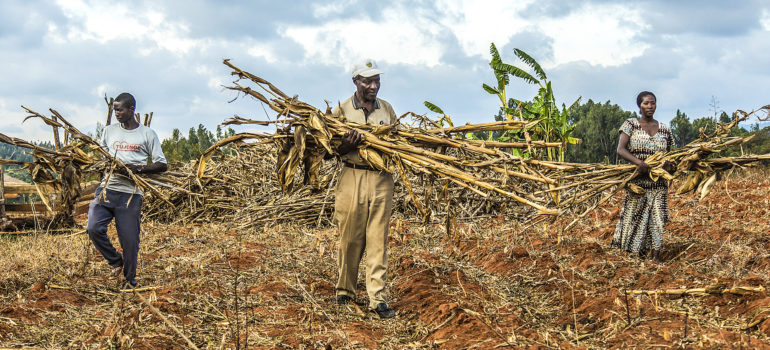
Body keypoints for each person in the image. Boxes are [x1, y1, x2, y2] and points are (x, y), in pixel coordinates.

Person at [332, 59, 396, 319]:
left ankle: (377, 298)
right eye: (367, 81)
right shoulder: (341, 111)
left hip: (381, 178)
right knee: (349, 237)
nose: (373, 86)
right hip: (352, 175)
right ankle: (345, 291)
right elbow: (328, 152)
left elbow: (397, 144)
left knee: (377, 239)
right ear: (355, 81)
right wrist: (347, 144)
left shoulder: (387, 110)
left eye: (377, 81)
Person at [86, 92, 167, 288]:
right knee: (93, 228)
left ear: (132, 110)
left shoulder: (147, 134)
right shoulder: (108, 131)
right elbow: (101, 156)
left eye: (120, 109)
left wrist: (136, 168)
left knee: (130, 241)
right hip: (107, 189)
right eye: (115, 110)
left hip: (130, 195)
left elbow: (162, 164)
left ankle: (129, 280)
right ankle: (115, 261)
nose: (117, 113)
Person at [611, 91, 675, 261]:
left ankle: (655, 255)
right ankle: (633, 254)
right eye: (646, 103)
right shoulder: (630, 125)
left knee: (658, 219)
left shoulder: (665, 129)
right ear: (639, 105)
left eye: (652, 103)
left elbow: (670, 156)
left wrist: (669, 166)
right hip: (638, 182)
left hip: (658, 184)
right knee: (634, 217)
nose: (650, 106)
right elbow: (621, 149)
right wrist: (639, 163)